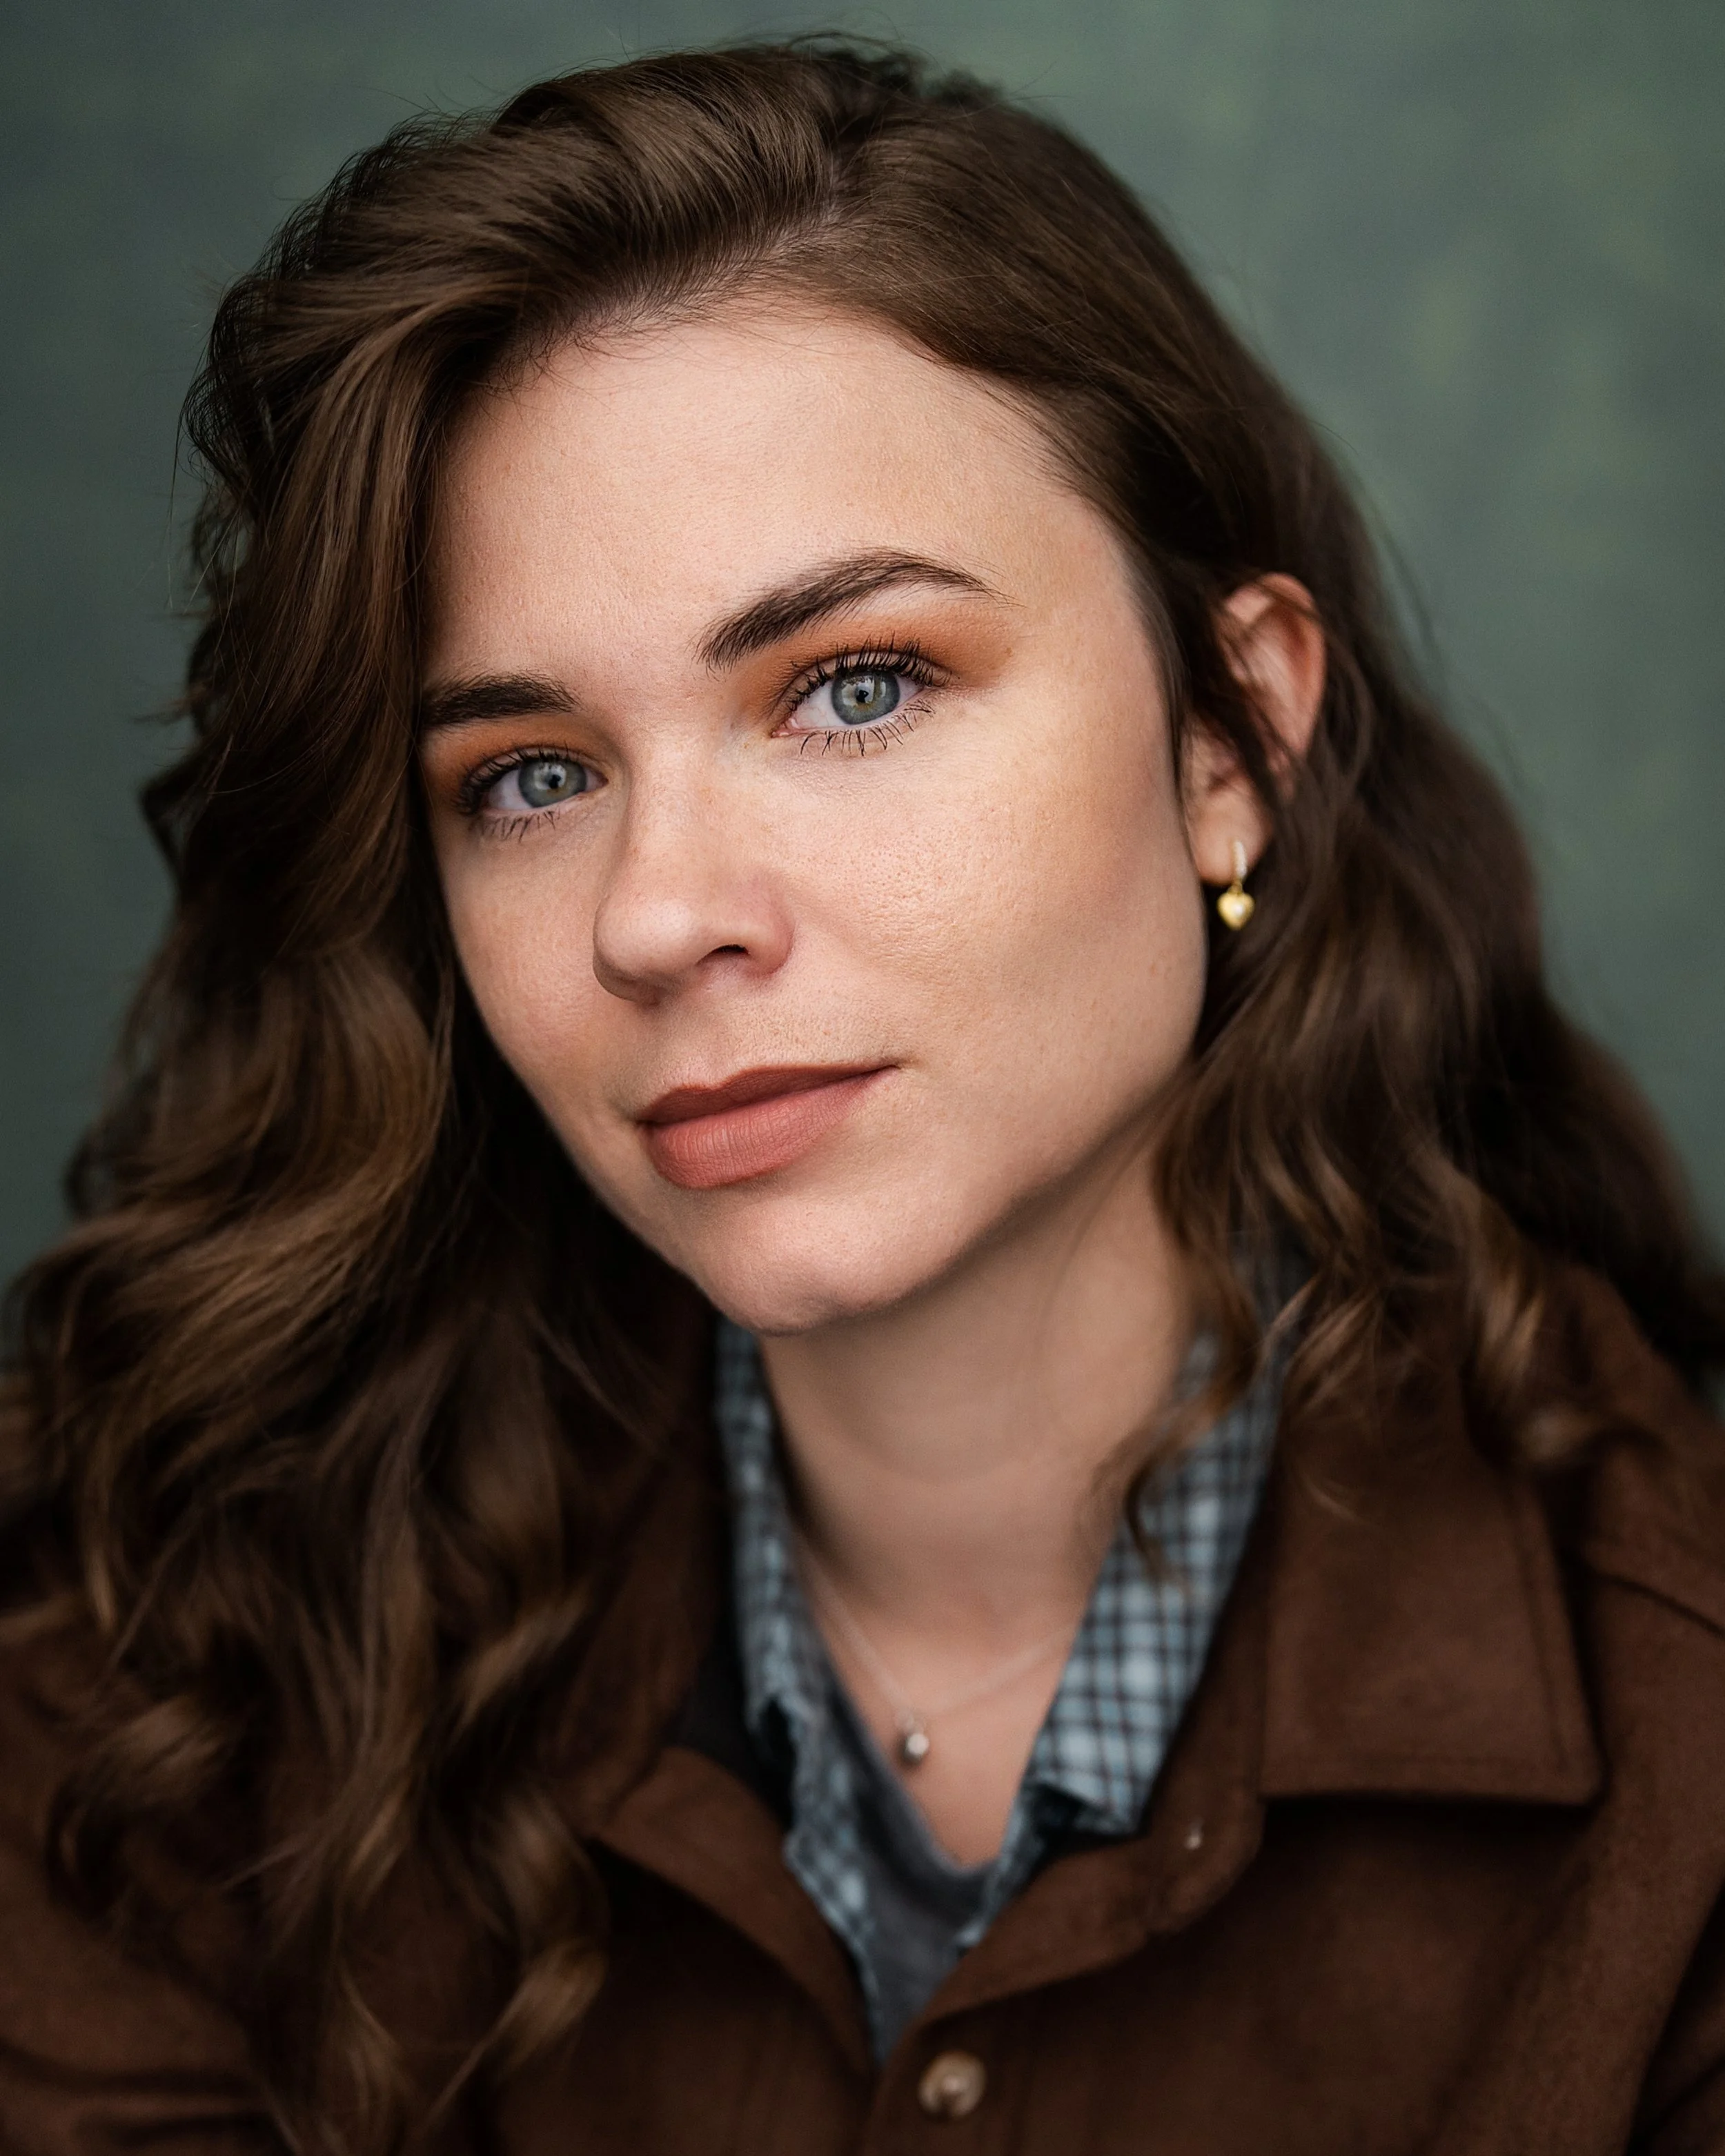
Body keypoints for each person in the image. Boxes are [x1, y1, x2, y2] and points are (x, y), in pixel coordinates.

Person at [2, 39, 1722, 2156]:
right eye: (528, 774)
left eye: (855, 684)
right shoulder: (158, 1674)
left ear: (1232, 741)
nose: (657, 914)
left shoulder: (1683, 1751)